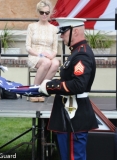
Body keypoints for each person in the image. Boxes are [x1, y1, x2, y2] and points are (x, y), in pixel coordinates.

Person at [38, 18, 98, 160]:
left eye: (64, 32)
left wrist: (50, 86)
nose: (61, 35)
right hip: (69, 114)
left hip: (74, 117)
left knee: (73, 156)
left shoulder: (81, 55)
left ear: (75, 31)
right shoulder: (76, 52)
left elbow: (78, 85)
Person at [25, 0, 59, 102]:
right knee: (46, 62)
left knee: (56, 63)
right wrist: (40, 54)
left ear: (49, 13)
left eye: (47, 13)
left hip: (48, 56)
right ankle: (33, 91)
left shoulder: (54, 29)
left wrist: (50, 56)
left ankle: (41, 90)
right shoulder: (32, 26)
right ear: (38, 12)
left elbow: (55, 50)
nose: (44, 15)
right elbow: (28, 47)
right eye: (42, 12)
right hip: (35, 55)